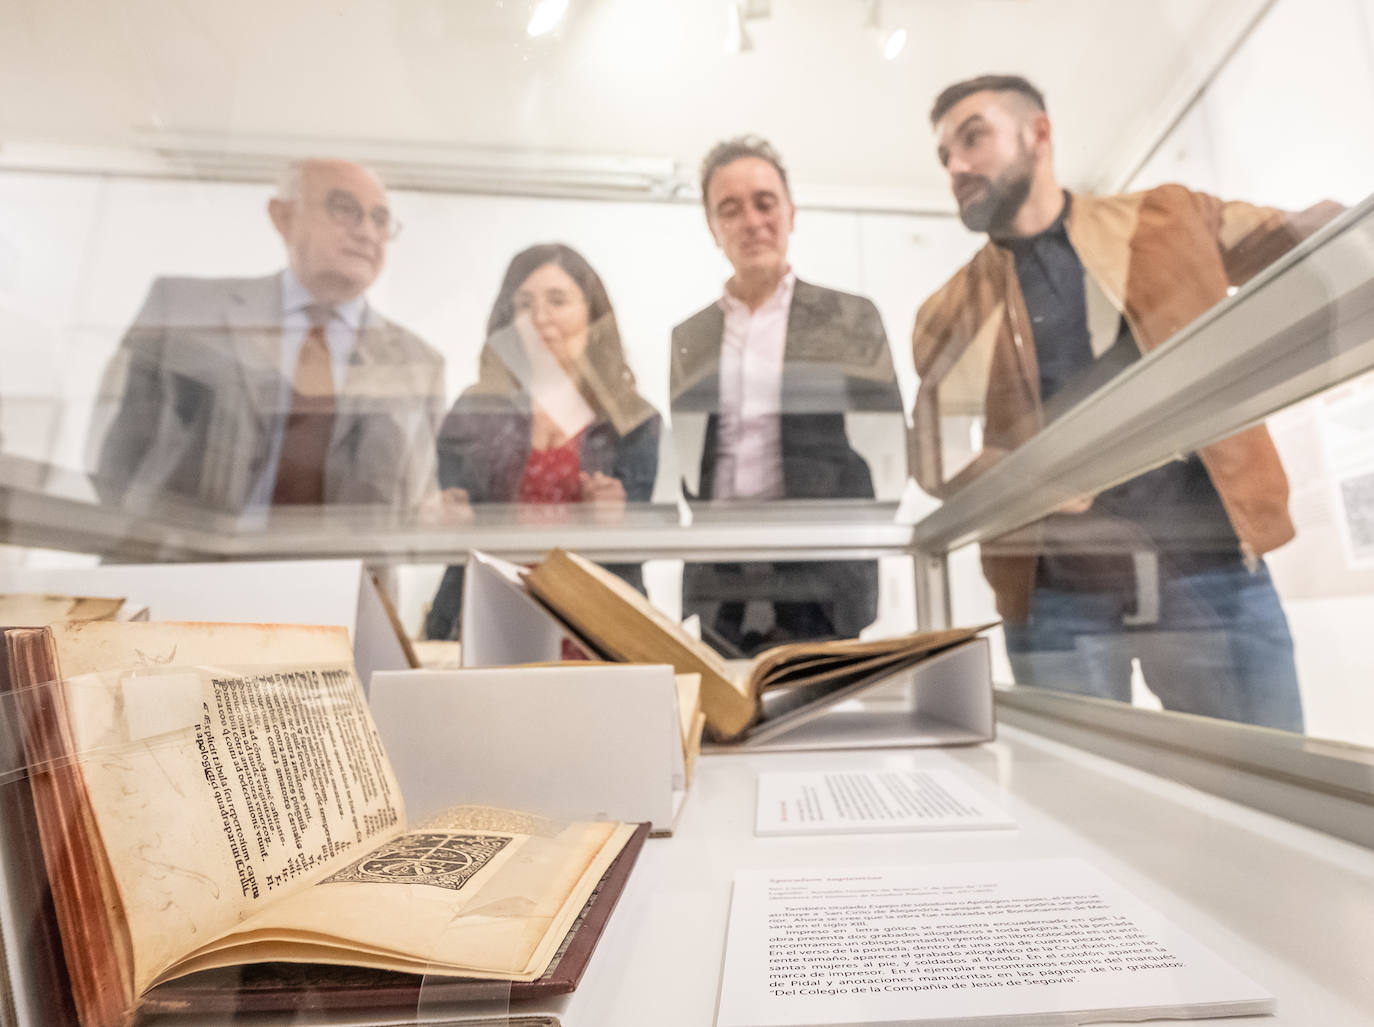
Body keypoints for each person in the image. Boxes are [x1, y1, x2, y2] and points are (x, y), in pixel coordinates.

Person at [910, 74, 1342, 731]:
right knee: (1081, 811)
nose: (958, 166)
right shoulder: (950, 310)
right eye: (946, 156)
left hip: (1212, 571)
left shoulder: (1169, 218)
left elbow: (1300, 239)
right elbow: (935, 456)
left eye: (973, 138)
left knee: (1265, 806)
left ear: (1039, 133)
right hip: (1058, 596)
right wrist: (1029, 478)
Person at [90, 158, 445, 515]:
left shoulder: (420, 363)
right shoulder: (183, 312)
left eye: (380, 219)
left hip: (340, 569)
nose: (367, 232)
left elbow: (420, 506)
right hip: (181, 563)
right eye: (344, 210)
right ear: (284, 217)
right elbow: (116, 464)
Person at [672, 136, 904, 656]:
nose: (751, 221)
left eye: (764, 202)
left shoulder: (850, 318)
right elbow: (689, 460)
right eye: (729, 209)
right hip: (720, 573)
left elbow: (886, 445)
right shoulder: (691, 338)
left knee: (818, 721)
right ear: (713, 227)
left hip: (821, 567)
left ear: (791, 213)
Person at [425, 243, 661, 640]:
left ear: (591, 314)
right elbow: (449, 514)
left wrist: (615, 520)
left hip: (595, 628)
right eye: (524, 305)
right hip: (490, 619)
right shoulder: (476, 407)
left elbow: (648, 540)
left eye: (558, 301)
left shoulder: (633, 420)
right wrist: (444, 517)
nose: (540, 318)